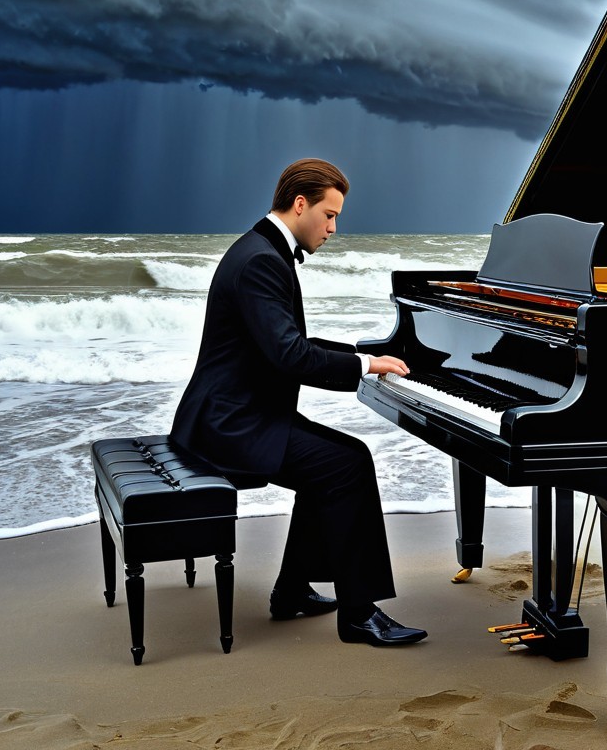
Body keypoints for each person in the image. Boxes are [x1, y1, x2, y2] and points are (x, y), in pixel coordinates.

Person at [171, 158, 426, 646]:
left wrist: (363, 353)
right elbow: (290, 355)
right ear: (300, 203)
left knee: (331, 462)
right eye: (329, 215)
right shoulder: (263, 261)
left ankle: (292, 591)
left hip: (236, 412)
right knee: (347, 463)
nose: (333, 228)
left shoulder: (261, 249)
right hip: (231, 424)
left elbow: (286, 342)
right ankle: (358, 615)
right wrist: (365, 367)